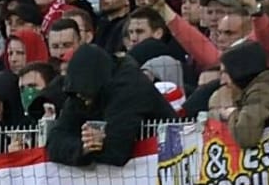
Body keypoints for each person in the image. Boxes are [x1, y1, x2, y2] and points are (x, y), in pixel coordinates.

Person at [45, 45, 177, 167]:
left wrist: (99, 144)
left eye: (87, 96)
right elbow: (54, 142)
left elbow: (117, 151)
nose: (85, 102)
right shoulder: (77, 92)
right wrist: (84, 147)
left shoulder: (131, 86)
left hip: (165, 163)